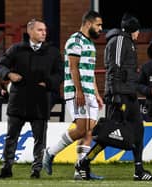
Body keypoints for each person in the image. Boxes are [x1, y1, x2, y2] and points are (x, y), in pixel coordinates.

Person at [74, 13, 152, 181]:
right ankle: (84, 162)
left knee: (138, 129)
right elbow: (114, 68)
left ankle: (139, 170)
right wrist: (115, 94)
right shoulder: (120, 41)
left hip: (128, 94)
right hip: (120, 95)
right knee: (108, 133)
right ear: (132, 30)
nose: (138, 34)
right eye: (137, 31)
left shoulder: (127, 42)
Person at [0, 18, 63, 179]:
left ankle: (36, 170)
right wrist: (9, 74)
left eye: (45, 30)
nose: (44, 33)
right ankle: (6, 168)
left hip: (40, 101)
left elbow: (60, 74)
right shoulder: (16, 49)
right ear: (30, 31)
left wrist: (48, 83)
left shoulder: (52, 52)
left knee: (40, 139)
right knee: (11, 137)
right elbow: (0, 65)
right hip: (18, 100)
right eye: (40, 30)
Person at [42, 10, 104, 179]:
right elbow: (73, 68)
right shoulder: (75, 41)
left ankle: (80, 171)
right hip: (77, 92)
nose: (101, 29)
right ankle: (50, 152)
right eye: (98, 25)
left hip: (89, 92)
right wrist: (79, 91)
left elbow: (89, 73)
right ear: (88, 23)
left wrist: (97, 93)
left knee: (89, 131)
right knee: (82, 128)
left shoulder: (90, 43)